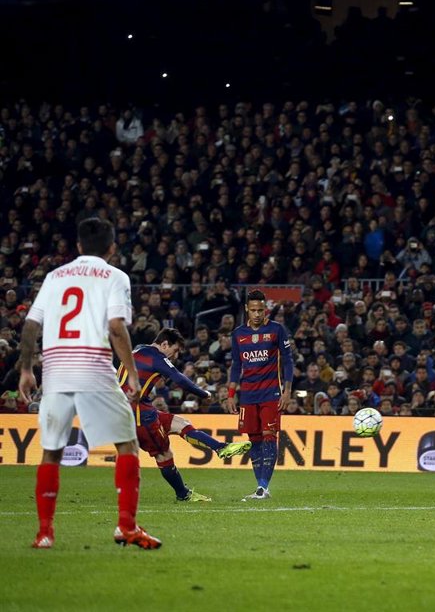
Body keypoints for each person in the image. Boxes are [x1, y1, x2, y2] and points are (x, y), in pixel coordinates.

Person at [18, 218, 161, 549]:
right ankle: (126, 527)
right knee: (127, 444)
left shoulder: (55, 276)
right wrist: (132, 373)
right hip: (94, 367)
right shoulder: (115, 276)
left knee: (51, 451)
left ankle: (44, 534)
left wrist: (26, 369)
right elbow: (115, 326)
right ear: (112, 248)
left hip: (55, 371)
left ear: (79, 247)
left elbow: (29, 325)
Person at [119, 328, 252, 502]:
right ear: (164, 344)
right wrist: (204, 393)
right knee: (164, 455)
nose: (174, 356)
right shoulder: (157, 357)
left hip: (133, 408)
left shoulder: (138, 349)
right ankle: (183, 494)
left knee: (180, 423)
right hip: (138, 415)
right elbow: (179, 378)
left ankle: (220, 447)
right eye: (174, 351)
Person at [229, 290, 295, 500]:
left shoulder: (277, 330)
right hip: (248, 395)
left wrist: (287, 390)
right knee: (254, 440)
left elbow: (288, 361)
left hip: (271, 393)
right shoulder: (238, 334)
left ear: (265, 309)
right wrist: (231, 393)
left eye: (261, 310)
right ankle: (260, 486)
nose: (257, 314)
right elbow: (236, 364)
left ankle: (263, 486)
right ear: (247, 309)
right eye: (253, 310)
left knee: (269, 437)